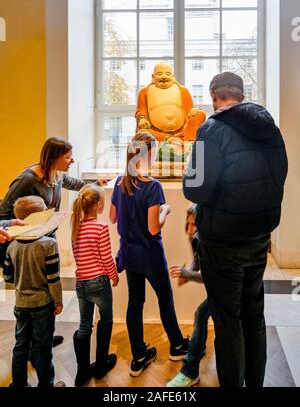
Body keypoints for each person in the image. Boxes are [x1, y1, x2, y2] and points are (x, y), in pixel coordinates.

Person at [183, 72, 288, 387]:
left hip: (222, 242)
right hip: (259, 238)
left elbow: (195, 190)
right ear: (242, 95)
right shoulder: (270, 128)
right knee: (254, 318)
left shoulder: (209, 129)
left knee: (227, 322)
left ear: (214, 96)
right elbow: (279, 175)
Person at [0, 137, 105, 345]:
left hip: (48, 238)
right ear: (54, 158)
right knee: (36, 294)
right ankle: (33, 345)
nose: (72, 161)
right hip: (30, 244)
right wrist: (19, 223)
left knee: (48, 293)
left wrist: (96, 184)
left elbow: (75, 184)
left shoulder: (56, 175)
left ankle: (44, 336)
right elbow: (3, 211)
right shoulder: (27, 179)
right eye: (68, 157)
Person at [110, 132, 189, 377]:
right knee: (165, 299)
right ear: (149, 154)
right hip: (151, 255)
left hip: (129, 254)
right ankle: (177, 346)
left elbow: (113, 218)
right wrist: (165, 209)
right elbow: (154, 227)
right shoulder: (153, 186)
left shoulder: (119, 182)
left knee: (135, 302)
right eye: (154, 151)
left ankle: (138, 356)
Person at [3, 196, 65, 387]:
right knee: (43, 348)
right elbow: (53, 279)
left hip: (21, 303)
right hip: (43, 305)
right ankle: (46, 384)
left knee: (21, 346)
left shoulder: (12, 245)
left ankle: (19, 383)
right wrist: (58, 301)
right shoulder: (48, 244)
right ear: (39, 218)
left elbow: (8, 277)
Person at [71, 184, 119, 387]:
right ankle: (100, 364)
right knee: (106, 320)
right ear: (99, 206)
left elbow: (78, 257)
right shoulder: (100, 228)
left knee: (84, 324)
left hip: (81, 282)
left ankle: (82, 372)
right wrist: (114, 276)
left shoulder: (76, 226)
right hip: (99, 282)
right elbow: (106, 257)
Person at [167, 205, 211, 388]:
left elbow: (211, 276)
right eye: (189, 224)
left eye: (195, 224)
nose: (191, 229)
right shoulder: (194, 238)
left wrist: (188, 274)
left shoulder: (208, 239)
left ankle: (190, 371)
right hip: (218, 289)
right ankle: (197, 351)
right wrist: (188, 272)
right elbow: (197, 263)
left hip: (228, 289)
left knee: (201, 315)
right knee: (201, 316)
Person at [136, 64, 206, 144]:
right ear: (153, 76)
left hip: (183, 131)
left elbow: (189, 111)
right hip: (157, 133)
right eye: (159, 74)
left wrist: (194, 111)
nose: (164, 76)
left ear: (173, 76)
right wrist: (142, 118)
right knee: (143, 132)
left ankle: (191, 141)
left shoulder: (183, 90)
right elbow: (141, 110)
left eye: (167, 74)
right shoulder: (145, 92)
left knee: (200, 114)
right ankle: (168, 139)